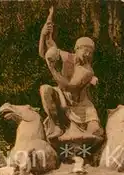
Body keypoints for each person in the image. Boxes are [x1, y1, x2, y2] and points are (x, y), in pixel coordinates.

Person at [38, 7, 103, 143]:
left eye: (90, 53)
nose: (87, 55)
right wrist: (44, 34)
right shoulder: (67, 57)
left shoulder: (87, 71)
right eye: (85, 51)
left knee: (95, 132)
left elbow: (69, 86)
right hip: (62, 99)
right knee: (45, 89)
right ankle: (56, 126)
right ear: (77, 49)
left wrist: (52, 69)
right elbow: (47, 50)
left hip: (82, 107)